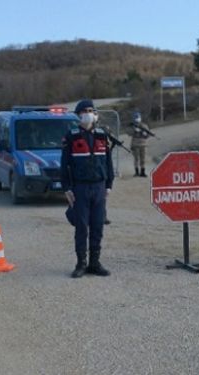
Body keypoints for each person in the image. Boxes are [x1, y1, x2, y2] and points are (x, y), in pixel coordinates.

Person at [61, 99, 114, 278]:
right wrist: (67, 188)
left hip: (99, 186)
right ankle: (81, 264)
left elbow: (108, 162)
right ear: (78, 115)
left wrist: (109, 184)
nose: (88, 114)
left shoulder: (102, 135)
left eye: (91, 110)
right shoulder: (71, 136)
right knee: (81, 227)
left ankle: (94, 263)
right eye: (84, 111)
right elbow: (64, 165)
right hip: (80, 188)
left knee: (98, 225)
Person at [128, 111, 151, 177]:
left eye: (138, 117)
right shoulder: (132, 126)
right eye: (136, 117)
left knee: (143, 159)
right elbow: (129, 133)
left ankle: (142, 172)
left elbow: (148, 135)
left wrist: (145, 134)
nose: (137, 119)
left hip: (143, 144)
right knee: (136, 159)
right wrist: (135, 130)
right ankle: (137, 172)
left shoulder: (144, 125)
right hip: (135, 144)